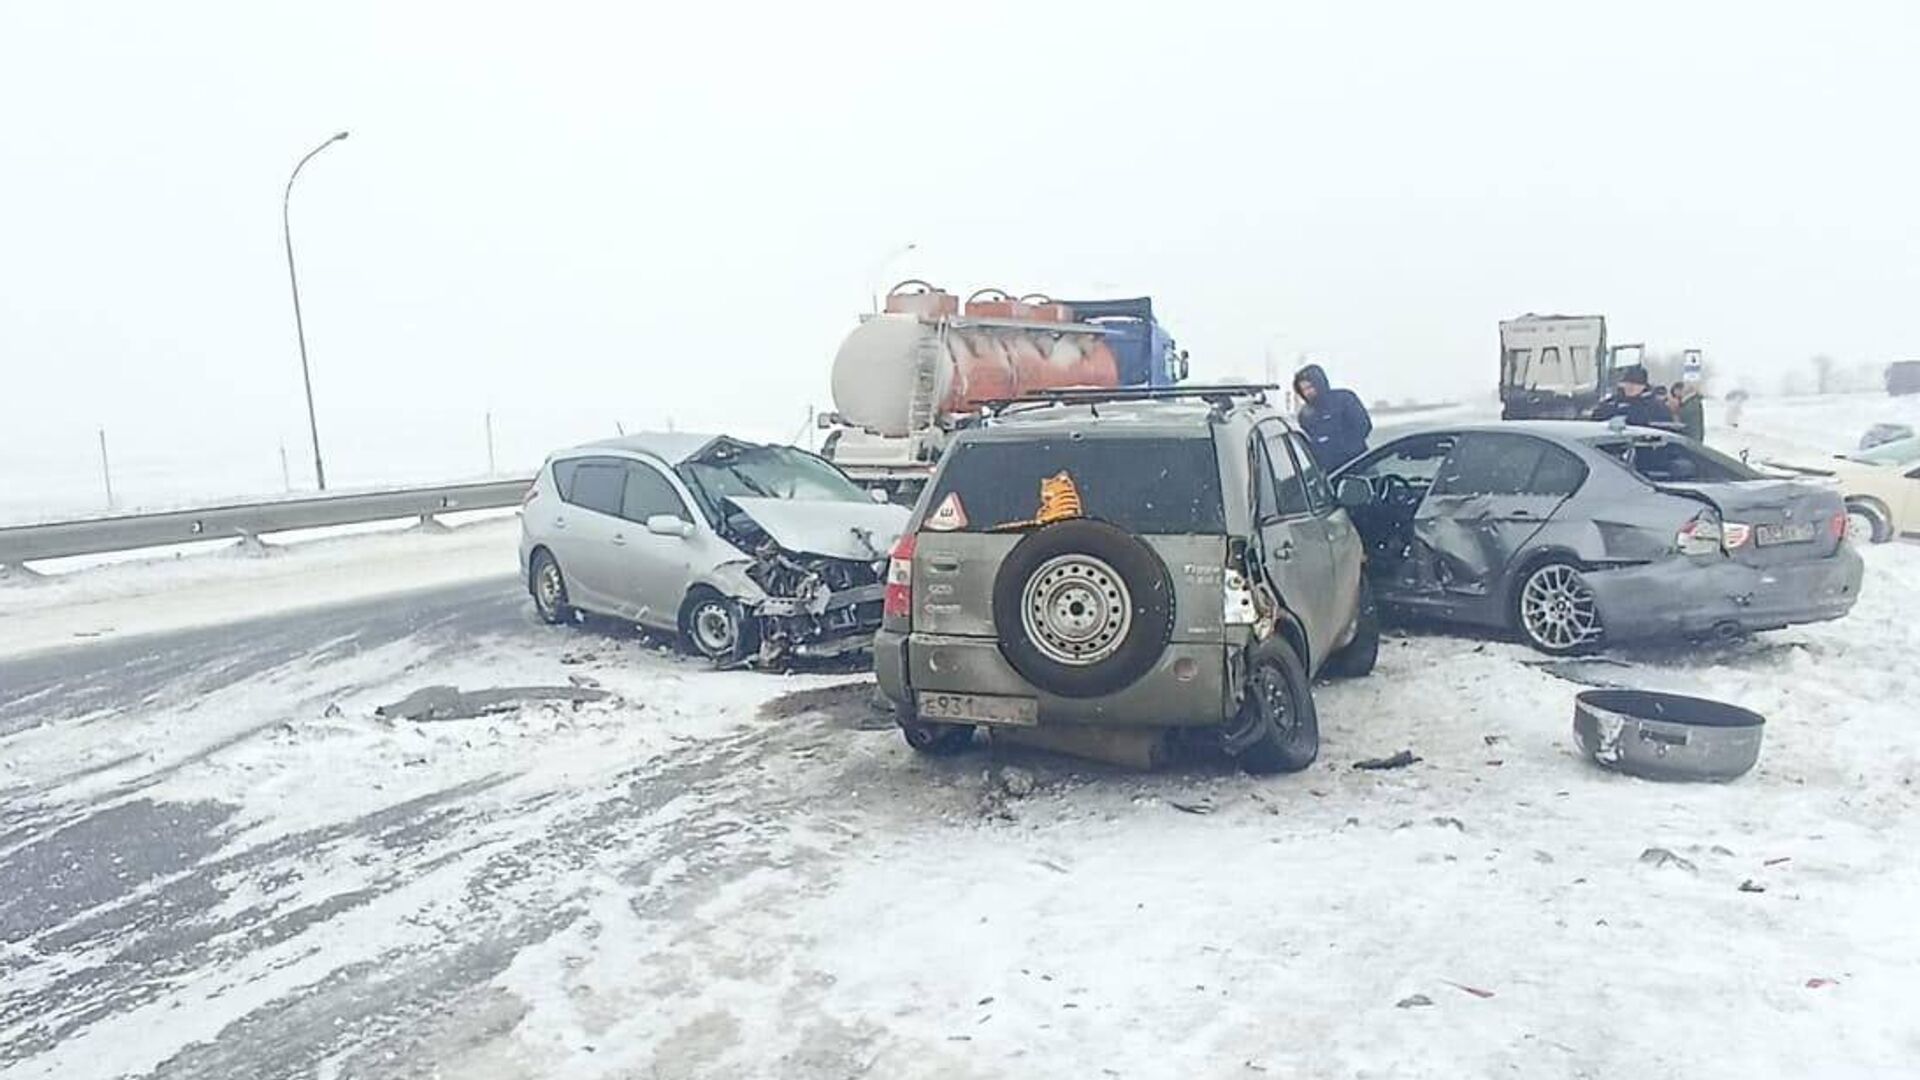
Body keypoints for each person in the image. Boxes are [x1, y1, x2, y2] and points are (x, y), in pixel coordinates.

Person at [1293, 363, 1373, 471]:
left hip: (1357, 464)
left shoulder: (1345, 399)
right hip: (1329, 472)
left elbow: (1364, 426)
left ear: (1319, 383)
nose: (1308, 392)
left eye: (1310, 387)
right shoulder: (1304, 415)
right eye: (1303, 390)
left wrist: (1339, 447)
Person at [1590, 365, 1672, 427]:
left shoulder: (1656, 407)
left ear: (1644, 386)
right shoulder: (1611, 403)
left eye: (1637, 384)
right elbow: (1595, 422)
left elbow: (1664, 430)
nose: (1631, 387)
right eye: (1628, 383)